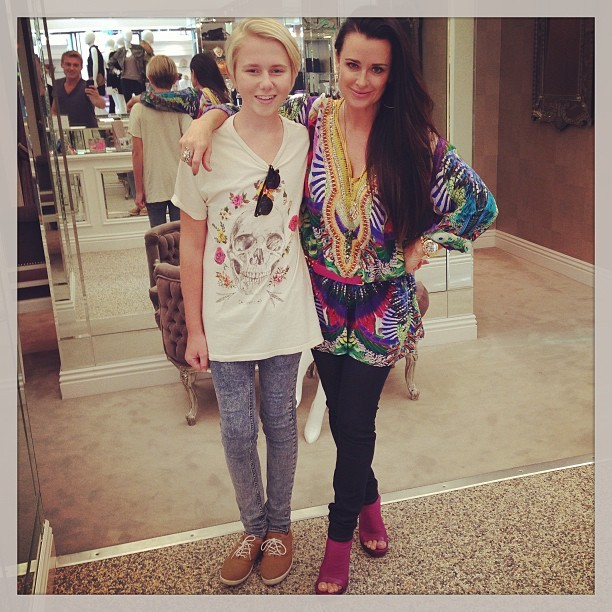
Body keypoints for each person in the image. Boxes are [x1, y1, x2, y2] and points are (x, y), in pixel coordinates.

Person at [142, 17, 498, 595]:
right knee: (347, 420)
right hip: (320, 302)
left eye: (377, 68)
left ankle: (337, 542)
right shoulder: (311, 116)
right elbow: (244, 100)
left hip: (382, 307)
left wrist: (426, 244)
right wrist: (206, 122)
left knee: (354, 425)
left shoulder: (413, 139)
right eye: (352, 64)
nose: (362, 79)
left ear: (392, 73)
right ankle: (370, 502)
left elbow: (479, 205)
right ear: (335, 61)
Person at [172, 18, 322, 588]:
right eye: (252, 69)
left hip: (284, 311)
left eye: (277, 70)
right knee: (236, 430)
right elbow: (191, 243)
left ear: (293, 74)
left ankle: (280, 526)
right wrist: (195, 328)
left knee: (280, 422)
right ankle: (252, 528)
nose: (265, 82)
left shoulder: (304, 139)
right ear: (230, 74)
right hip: (226, 318)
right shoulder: (203, 149)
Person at [127, 55, 192, 225]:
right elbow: (188, 143)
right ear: (175, 78)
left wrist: (138, 190)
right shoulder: (181, 107)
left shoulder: (138, 109)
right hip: (179, 182)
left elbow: (137, 152)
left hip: (153, 183)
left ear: (149, 78)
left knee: (157, 234)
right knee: (181, 234)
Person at [51, 50, 106, 128]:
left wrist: (97, 99)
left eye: (76, 65)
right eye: (68, 64)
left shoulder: (86, 86)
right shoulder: (57, 84)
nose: (71, 68)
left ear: (81, 67)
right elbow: (54, 110)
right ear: (62, 65)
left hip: (88, 132)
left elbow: (102, 105)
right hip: (66, 131)